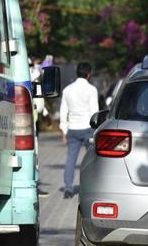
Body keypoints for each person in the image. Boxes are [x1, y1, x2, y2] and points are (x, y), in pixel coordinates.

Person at [60, 62, 99, 199]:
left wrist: (64, 130)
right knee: (91, 159)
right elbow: (94, 111)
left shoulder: (67, 90)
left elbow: (63, 111)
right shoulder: (92, 90)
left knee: (71, 158)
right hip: (88, 128)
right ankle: (91, 187)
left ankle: (68, 188)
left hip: (73, 128)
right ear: (89, 74)